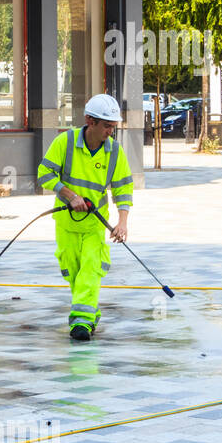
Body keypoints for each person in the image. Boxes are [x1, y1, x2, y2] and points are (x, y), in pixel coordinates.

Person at [36, 93, 133, 341]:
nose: (110, 131)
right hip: (66, 225)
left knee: (91, 269)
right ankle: (89, 313)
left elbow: (123, 188)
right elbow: (44, 173)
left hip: (94, 226)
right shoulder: (64, 143)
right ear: (90, 121)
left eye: (113, 126)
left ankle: (81, 322)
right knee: (74, 271)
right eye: (107, 126)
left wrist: (122, 222)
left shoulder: (114, 152)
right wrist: (69, 195)